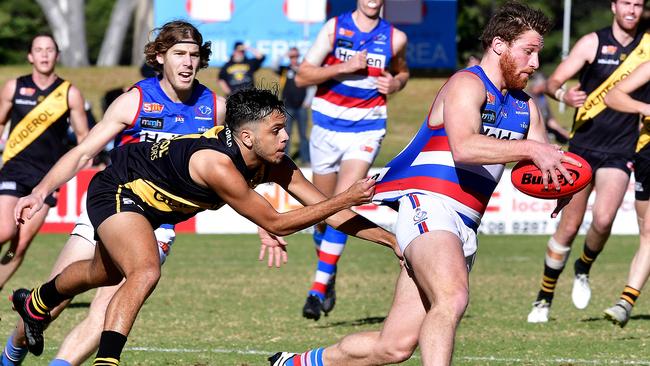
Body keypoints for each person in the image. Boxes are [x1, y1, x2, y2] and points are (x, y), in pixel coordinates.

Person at [269, 3, 576, 365]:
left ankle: (296, 363)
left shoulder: (526, 107)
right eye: (529, 51)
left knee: (394, 347)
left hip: (463, 224)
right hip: (428, 205)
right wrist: (531, 148)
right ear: (499, 45)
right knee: (452, 299)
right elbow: (464, 146)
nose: (536, 64)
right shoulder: (467, 83)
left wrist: (560, 183)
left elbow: (536, 162)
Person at [11, 87, 397, 366]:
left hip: (158, 205)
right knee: (144, 271)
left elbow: (327, 212)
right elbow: (278, 221)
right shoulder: (216, 163)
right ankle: (106, 363)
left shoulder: (274, 161)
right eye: (276, 131)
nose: (286, 138)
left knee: (103, 271)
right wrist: (345, 197)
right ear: (247, 137)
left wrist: (392, 241)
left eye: (284, 128)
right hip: (120, 186)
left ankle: (37, 302)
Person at [0, 21, 226, 366]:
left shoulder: (215, 108)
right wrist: (41, 190)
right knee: (55, 298)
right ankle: (11, 354)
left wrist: (265, 221)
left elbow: (242, 166)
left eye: (194, 54)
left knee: (106, 310)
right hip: (110, 205)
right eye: (179, 53)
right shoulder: (134, 101)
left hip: (158, 224)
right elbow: (82, 152)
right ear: (160, 56)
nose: (188, 63)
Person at [527, 0, 649, 323]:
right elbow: (552, 83)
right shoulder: (592, 42)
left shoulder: (648, 46)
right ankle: (544, 297)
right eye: (626, 3)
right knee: (568, 226)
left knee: (604, 220)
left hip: (622, 149)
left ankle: (584, 266)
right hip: (582, 145)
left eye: (638, 4)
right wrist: (563, 95)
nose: (632, 10)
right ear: (614, 6)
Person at [295, 0, 409, 320]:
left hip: (368, 128)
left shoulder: (395, 37)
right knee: (320, 212)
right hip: (326, 127)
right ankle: (328, 272)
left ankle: (317, 289)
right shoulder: (334, 28)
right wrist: (342, 67)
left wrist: (396, 83)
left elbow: (402, 71)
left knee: (344, 203)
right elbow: (303, 76)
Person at [0, 34, 88, 289]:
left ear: (57, 55)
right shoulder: (14, 87)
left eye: (49, 50)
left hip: (47, 179)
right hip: (14, 170)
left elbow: (84, 138)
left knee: (20, 244)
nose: (44, 54)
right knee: (6, 230)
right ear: (30, 56)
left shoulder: (69, 93)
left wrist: (84, 163)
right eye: (38, 50)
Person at [601, 60, 650, 327]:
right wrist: (645, 108)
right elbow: (613, 96)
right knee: (648, 234)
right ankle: (626, 302)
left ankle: (626, 301)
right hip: (647, 154)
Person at [273, 47, 313, 164]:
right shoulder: (285, 69)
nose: (294, 59)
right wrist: (283, 55)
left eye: (296, 56)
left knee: (303, 134)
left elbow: (311, 85)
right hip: (287, 106)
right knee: (286, 133)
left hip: (301, 106)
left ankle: (306, 158)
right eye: (292, 57)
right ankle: (286, 158)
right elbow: (273, 66)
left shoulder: (303, 69)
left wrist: (308, 100)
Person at [527, 73, 570, 144]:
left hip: (543, 129)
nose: (546, 87)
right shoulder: (527, 98)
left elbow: (550, 120)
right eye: (544, 84)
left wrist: (563, 132)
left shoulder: (543, 97)